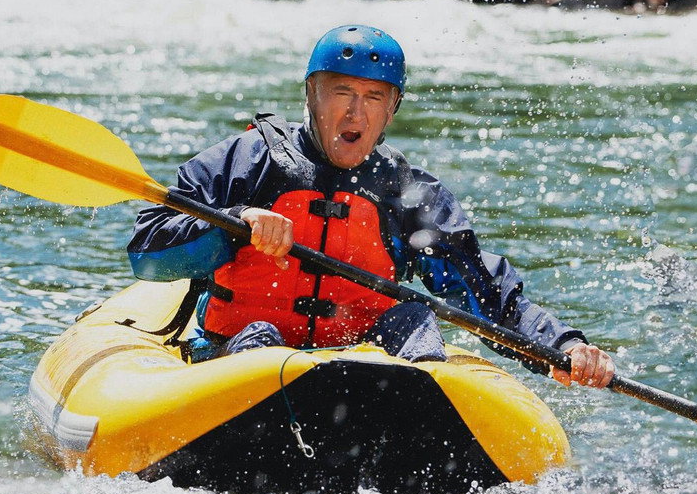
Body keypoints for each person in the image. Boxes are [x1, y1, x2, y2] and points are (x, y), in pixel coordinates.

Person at [127, 25, 614, 388]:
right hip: (242, 356)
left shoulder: (405, 192)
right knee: (260, 336)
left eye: (373, 97)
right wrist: (235, 223)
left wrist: (561, 346)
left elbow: (484, 293)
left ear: (391, 109)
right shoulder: (245, 162)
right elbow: (147, 254)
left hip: (357, 361)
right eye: (341, 92)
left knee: (413, 318)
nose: (355, 112)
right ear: (311, 95)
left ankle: (419, 416)